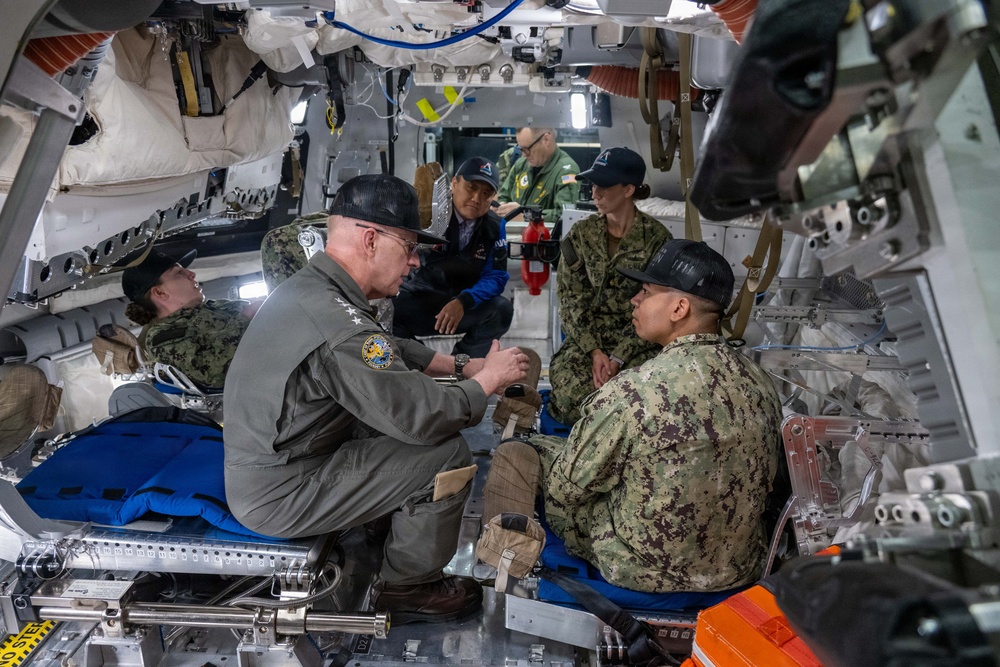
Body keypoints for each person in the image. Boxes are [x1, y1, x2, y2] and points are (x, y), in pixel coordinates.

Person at [223, 174, 530, 624]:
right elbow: (425, 416)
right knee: (446, 453)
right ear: (370, 239)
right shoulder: (338, 323)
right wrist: (489, 380)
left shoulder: (317, 291)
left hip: (286, 462)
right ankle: (408, 586)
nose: (412, 263)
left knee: (392, 422)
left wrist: (462, 368)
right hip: (281, 493)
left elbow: (387, 347)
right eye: (408, 247)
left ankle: (382, 521)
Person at [485, 240, 783, 593]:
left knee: (519, 453)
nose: (634, 301)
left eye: (645, 291)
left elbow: (567, 489)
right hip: (736, 567)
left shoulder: (637, 390)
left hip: (642, 568)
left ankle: (501, 581)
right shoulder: (761, 382)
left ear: (679, 308)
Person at [547, 147, 672, 424]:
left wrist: (618, 357)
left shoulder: (657, 239)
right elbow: (570, 300)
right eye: (593, 185)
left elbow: (658, 307)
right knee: (570, 400)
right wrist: (596, 352)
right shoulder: (581, 235)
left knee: (640, 401)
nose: (595, 194)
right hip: (586, 342)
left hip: (638, 343)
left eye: (604, 186)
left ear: (629, 190)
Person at [392, 157, 512, 357]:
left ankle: (462, 367)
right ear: (454, 183)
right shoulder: (427, 215)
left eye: (486, 193)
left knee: (501, 310)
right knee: (388, 310)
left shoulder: (494, 226)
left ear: (493, 197)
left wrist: (464, 301)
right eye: (471, 187)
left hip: (462, 305)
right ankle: (419, 363)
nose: (476, 198)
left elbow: (496, 277)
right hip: (420, 300)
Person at [122, 248, 263, 390]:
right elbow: (216, 373)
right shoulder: (163, 339)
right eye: (178, 273)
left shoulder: (210, 306)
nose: (191, 274)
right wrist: (248, 315)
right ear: (160, 292)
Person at [496, 127, 580, 224]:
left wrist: (526, 216)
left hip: (542, 236)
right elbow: (503, 196)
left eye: (527, 149)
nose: (524, 155)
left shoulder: (566, 171)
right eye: (520, 149)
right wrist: (501, 208)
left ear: (546, 139)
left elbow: (565, 214)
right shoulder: (521, 165)